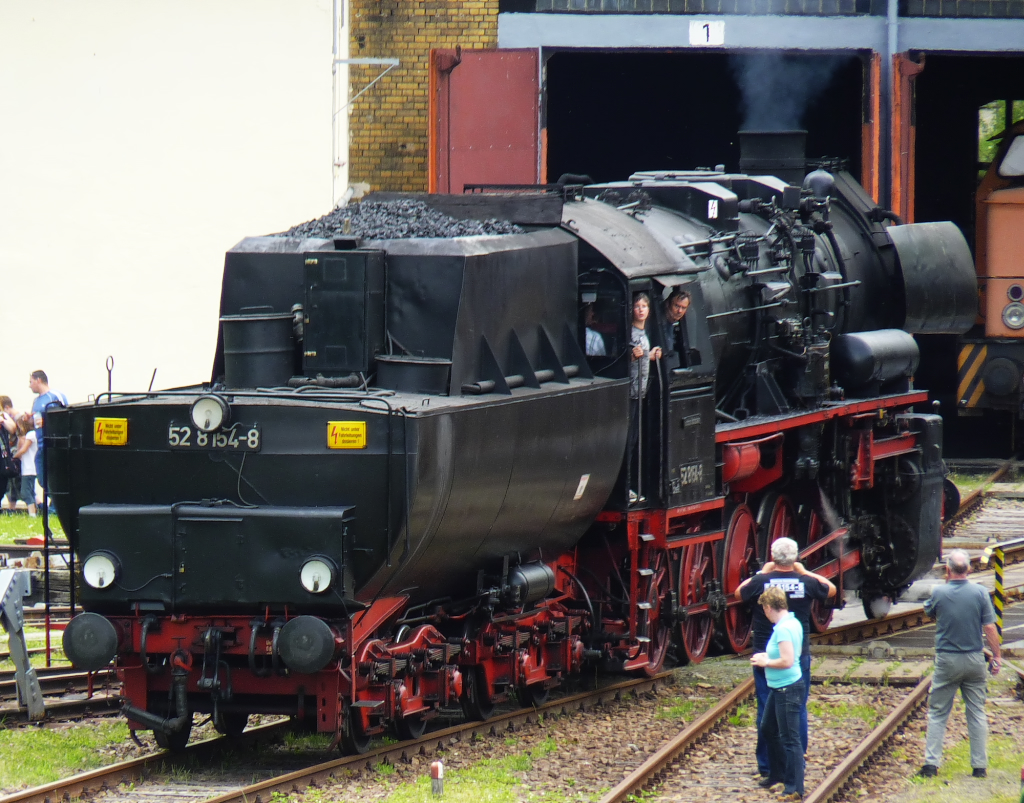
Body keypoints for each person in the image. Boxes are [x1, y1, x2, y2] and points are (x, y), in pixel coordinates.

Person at [737, 537, 836, 780]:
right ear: (796, 557)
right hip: (797, 654)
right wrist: (804, 570)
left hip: (764, 654)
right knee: (797, 708)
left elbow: (740, 592)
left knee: (765, 709)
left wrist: (763, 570)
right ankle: (795, 764)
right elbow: (830, 590)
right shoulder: (805, 581)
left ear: (772, 556)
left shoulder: (761, 581)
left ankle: (768, 766)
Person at [919, 548, 1001, 779]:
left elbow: (929, 612)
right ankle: (979, 766)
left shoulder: (939, 592)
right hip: (975, 659)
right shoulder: (980, 592)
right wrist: (996, 656)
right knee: (976, 711)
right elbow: (989, 628)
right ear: (969, 569)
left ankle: (931, 765)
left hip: (947, 660)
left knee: (937, 712)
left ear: (948, 569)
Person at [750, 585, 805, 801]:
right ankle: (778, 774)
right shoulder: (791, 622)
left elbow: (787, 660)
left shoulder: (783, 628)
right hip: (779, 686)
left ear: (769, 607)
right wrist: (767, 655)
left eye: (764, 609)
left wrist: (766, 661)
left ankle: (794, 787)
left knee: (790, 738)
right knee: (768, 728)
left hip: (787, 688)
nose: (764, 613)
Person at [628, 293, 661, 503]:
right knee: (629, 441)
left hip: (640, 391)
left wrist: (649, 355)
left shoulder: (642, 333)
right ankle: (625, 488)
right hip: (630, 393)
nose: (641, 309)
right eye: (637, 306)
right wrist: (632, 356)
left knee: (633, 441)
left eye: (644, 306)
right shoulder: (631, 333)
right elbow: (625, 356)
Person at [29, 370, 67, 488]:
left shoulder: (55, 396)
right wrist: (29, 419)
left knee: (55, 477)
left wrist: (47, 422)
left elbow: (65, 417)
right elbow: (34, 423)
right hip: (41, 444)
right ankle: (54, 502)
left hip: (54, 445)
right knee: (42, 478)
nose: (29, 386)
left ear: (38, 380)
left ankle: (55, 505)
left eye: (31, 382)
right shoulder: (36, 401)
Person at [660, 288, 693, 370]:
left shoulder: (671, 323)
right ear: (668, 303)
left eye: (683, 308)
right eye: (677, 306)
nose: (679, 311)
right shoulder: (660, 322)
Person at [13, 416, 38, 517]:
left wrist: (14, 456)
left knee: (25, 492)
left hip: (29, 468)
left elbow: (23, 450)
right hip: (32, 468)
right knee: (31, 491)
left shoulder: (30, 435)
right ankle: (35, 511)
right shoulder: (35, 434)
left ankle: (32, 514)